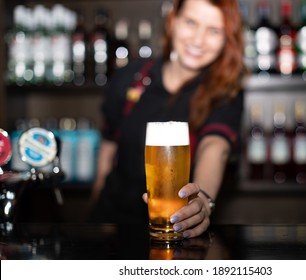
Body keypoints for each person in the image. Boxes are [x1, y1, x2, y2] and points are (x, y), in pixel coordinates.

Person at [89, 0, 246, 239]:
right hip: (112, 225)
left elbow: (216, 148)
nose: (198, 39)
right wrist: (96, 220)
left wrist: (202, 200)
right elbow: (107, 153)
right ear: (173, 21)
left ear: (227, 39)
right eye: (191, 23)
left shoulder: (225, 92)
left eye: (214, 30)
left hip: (175, 231)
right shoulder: (130, 77)